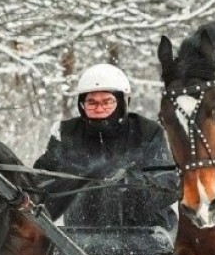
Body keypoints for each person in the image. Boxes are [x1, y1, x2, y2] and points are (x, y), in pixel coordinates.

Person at [34, 63, 178, 230]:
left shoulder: (148, 132)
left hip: (146, 232)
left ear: (122, 102)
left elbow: (168, 183)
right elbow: (41, 178)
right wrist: (70, 179)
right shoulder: (66, 133)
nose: (99, 108)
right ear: (82, 104)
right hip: (83, 235)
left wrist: (131, 183)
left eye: (107, 102)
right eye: (92, 103)